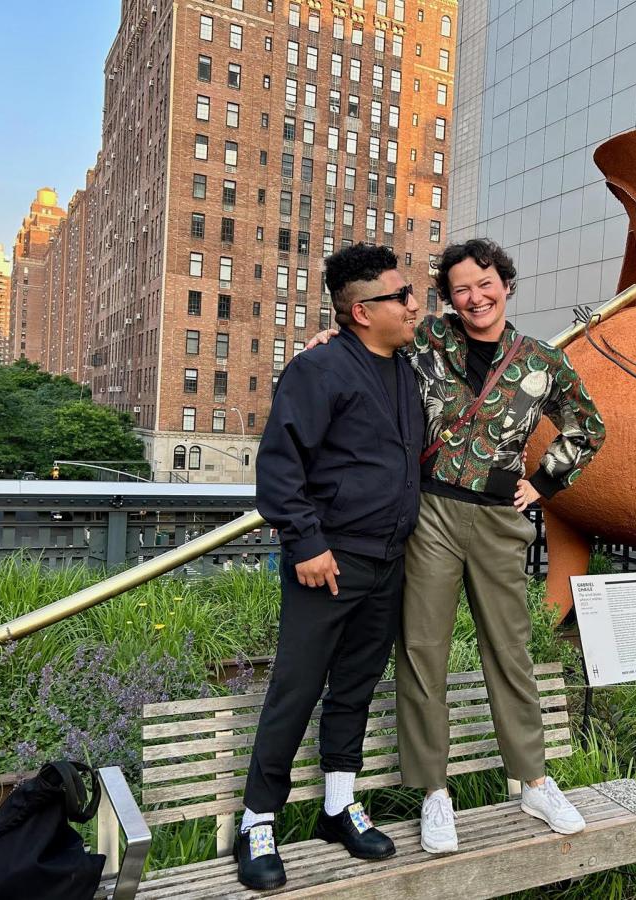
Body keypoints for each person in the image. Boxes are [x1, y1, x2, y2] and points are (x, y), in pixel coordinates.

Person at [309, 239, 605, 854]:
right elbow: (368, 343)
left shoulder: (543, 362)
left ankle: (532, 779)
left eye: (485, 282)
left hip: (500, 519)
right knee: (423, 651)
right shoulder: (430, 341)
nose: (476, 297)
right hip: (433, 511)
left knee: (510, 651)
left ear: (506, 283)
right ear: (449, 296)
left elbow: (588, 426)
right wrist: (324, 348)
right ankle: (433, 792)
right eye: (462, 288)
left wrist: (544, 480)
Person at [235, 244, 422, 890]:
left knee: (355, 687)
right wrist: (306, 544)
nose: (413, 303)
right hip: (328, 563)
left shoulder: (407, 367)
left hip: (386, 562)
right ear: (362, 311)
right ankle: (257, 820)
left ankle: (339, 805)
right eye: (401, 296)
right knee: (296, 688)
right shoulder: (318, 370)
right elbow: (280, 466)